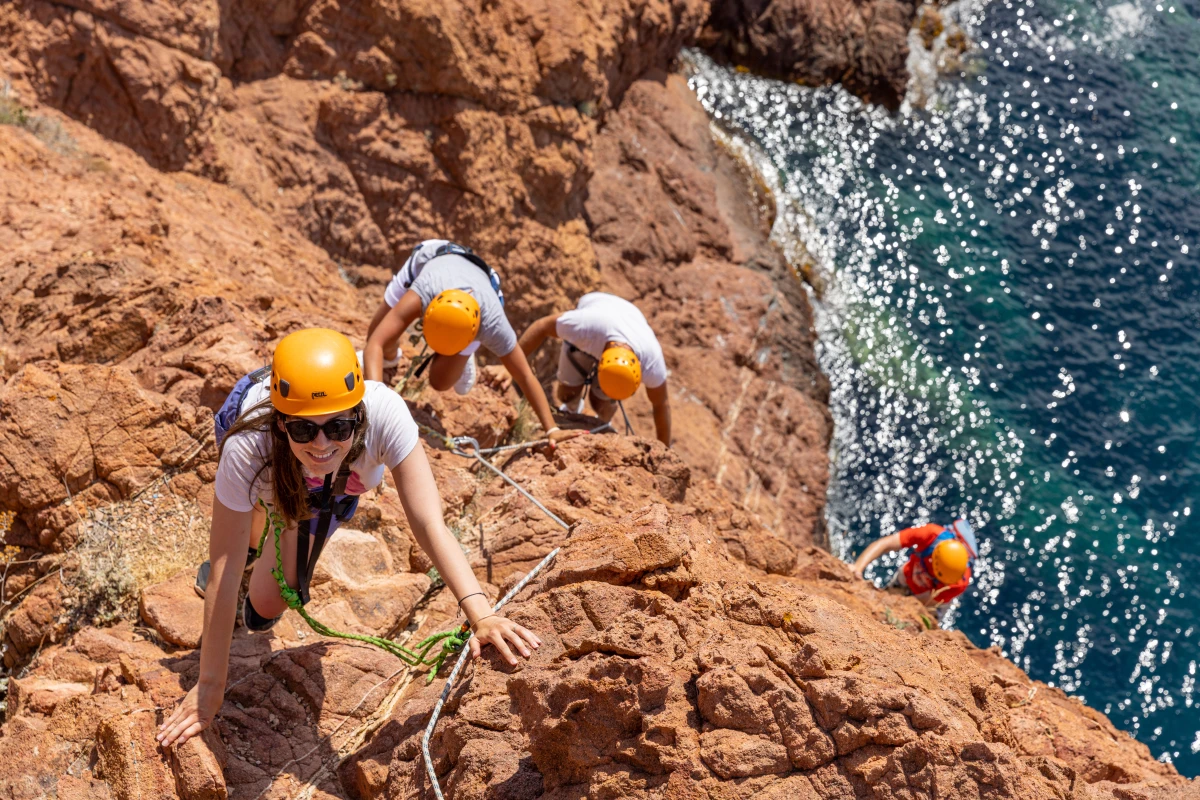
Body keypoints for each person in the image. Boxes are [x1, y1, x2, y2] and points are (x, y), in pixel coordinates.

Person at [157, 328, 541, 749]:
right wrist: (210, 687)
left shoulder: (385, 414)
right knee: (245, 537)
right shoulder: (249, 444)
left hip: (333, 491)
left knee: (265, 607)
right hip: (270, 462)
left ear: (358, 415)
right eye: (304, 431)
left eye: (338, 426)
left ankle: (276, 531)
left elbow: (430, 524)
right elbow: (225, 570)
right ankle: (258, 537)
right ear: (282, 422)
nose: (322, 444)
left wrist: (479, 613)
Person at [362, 239, 576, 448]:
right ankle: (393, 360)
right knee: (378, 330)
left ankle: (465, 355)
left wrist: (552, 430)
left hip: (481, 289)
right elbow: (375, 343)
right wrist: (378, 407)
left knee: (440, 381)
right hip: (435, 257)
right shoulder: (424, 289)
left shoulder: (493, 323)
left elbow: (525, 376)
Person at [507, 292, 671, 446]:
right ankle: (572, 408)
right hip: (595, 318)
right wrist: (508, 367)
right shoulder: (584, 327)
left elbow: (661, 405)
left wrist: (664, 452)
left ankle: (601, 420)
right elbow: (542, 326)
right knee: (566, 393)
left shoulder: (652, 362)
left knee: (601, 403)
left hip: (628, 319)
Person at [851, 519, 978, 608]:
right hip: (905, 576)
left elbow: (926, 601)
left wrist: (894, 603)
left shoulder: (959, 582)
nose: (932, 575)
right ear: (933, 558)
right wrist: (858, 568)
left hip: (928, 597)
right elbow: (885, 544)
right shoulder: (930, 534)